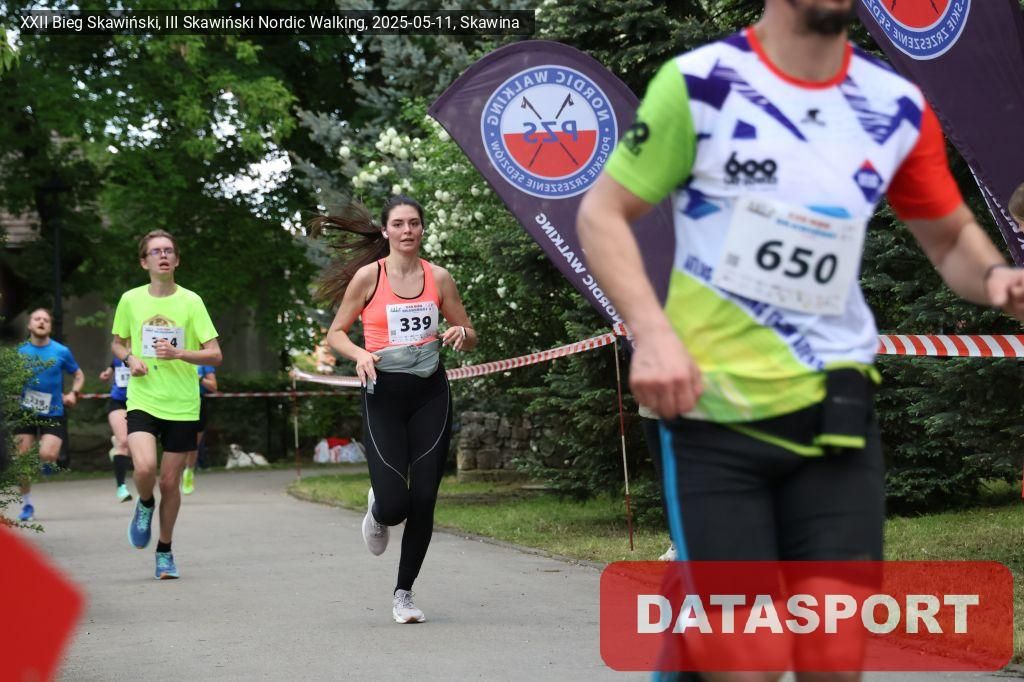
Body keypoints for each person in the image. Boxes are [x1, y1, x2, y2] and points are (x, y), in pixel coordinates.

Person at [577, 0, 1024, 677]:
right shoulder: (701, 85)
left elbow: (949, 237)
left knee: (833, 654)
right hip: (715, 411)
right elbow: (603, 212)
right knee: (748, 659)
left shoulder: (892, 104)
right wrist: (654, 333)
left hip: (835, 410)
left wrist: (996, 279)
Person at [316, 196, 476, 624]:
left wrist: (462, 333)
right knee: (395, 505)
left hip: (430, 394)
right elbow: (336, 333)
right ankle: (378, 510)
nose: (408, 231)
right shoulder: (369, 277)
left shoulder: (438, 277)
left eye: (414, 223)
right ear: (386, 231)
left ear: (422, 229)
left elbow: (468, 331)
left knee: (424, 498)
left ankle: (403, 594)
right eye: (399, 224)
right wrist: (359, 354)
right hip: (383, 394)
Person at [111, 229, 221, 580]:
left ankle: (164, 551)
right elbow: (117, 343)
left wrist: (180, 354)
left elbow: (215, 354)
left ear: (177, 260)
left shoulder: (191, 302)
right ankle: (145, 503)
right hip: (143, 398)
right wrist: (130, 358)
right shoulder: (130, 300)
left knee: (171, 483)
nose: (163, 255)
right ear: (144, 262)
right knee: (145, 469)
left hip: (183, 404)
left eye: (169, 250)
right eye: (156, 251)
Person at [13, 308, 85, 522]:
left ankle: (46, 461)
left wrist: (73, 393)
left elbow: (78, 375)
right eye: (37, 319)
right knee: (22, 462)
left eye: (46, 320)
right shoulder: (19, 352)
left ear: (50, 326)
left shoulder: (61, 351)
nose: (41, 322)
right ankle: (27, 505)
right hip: (25, 412)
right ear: (29, 325)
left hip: (53, 412)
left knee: (48, 454)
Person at [99, 357, 133, 502]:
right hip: (119, 401)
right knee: (124, 442)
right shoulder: (119, 355)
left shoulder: (147, 350)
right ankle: (121, 488)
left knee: (133, 447)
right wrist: (106, 373)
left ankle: (116, 447)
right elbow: (113, 365)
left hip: (142, 402)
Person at [181, 364, 217, 495]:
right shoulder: (173, 356)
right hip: (175, 402)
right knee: (176, 442)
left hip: (197, 403)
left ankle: (189, 472)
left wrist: (199, 377)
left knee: (193, 444)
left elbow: (213, 387)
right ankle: (173, 473)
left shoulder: (203, 361)